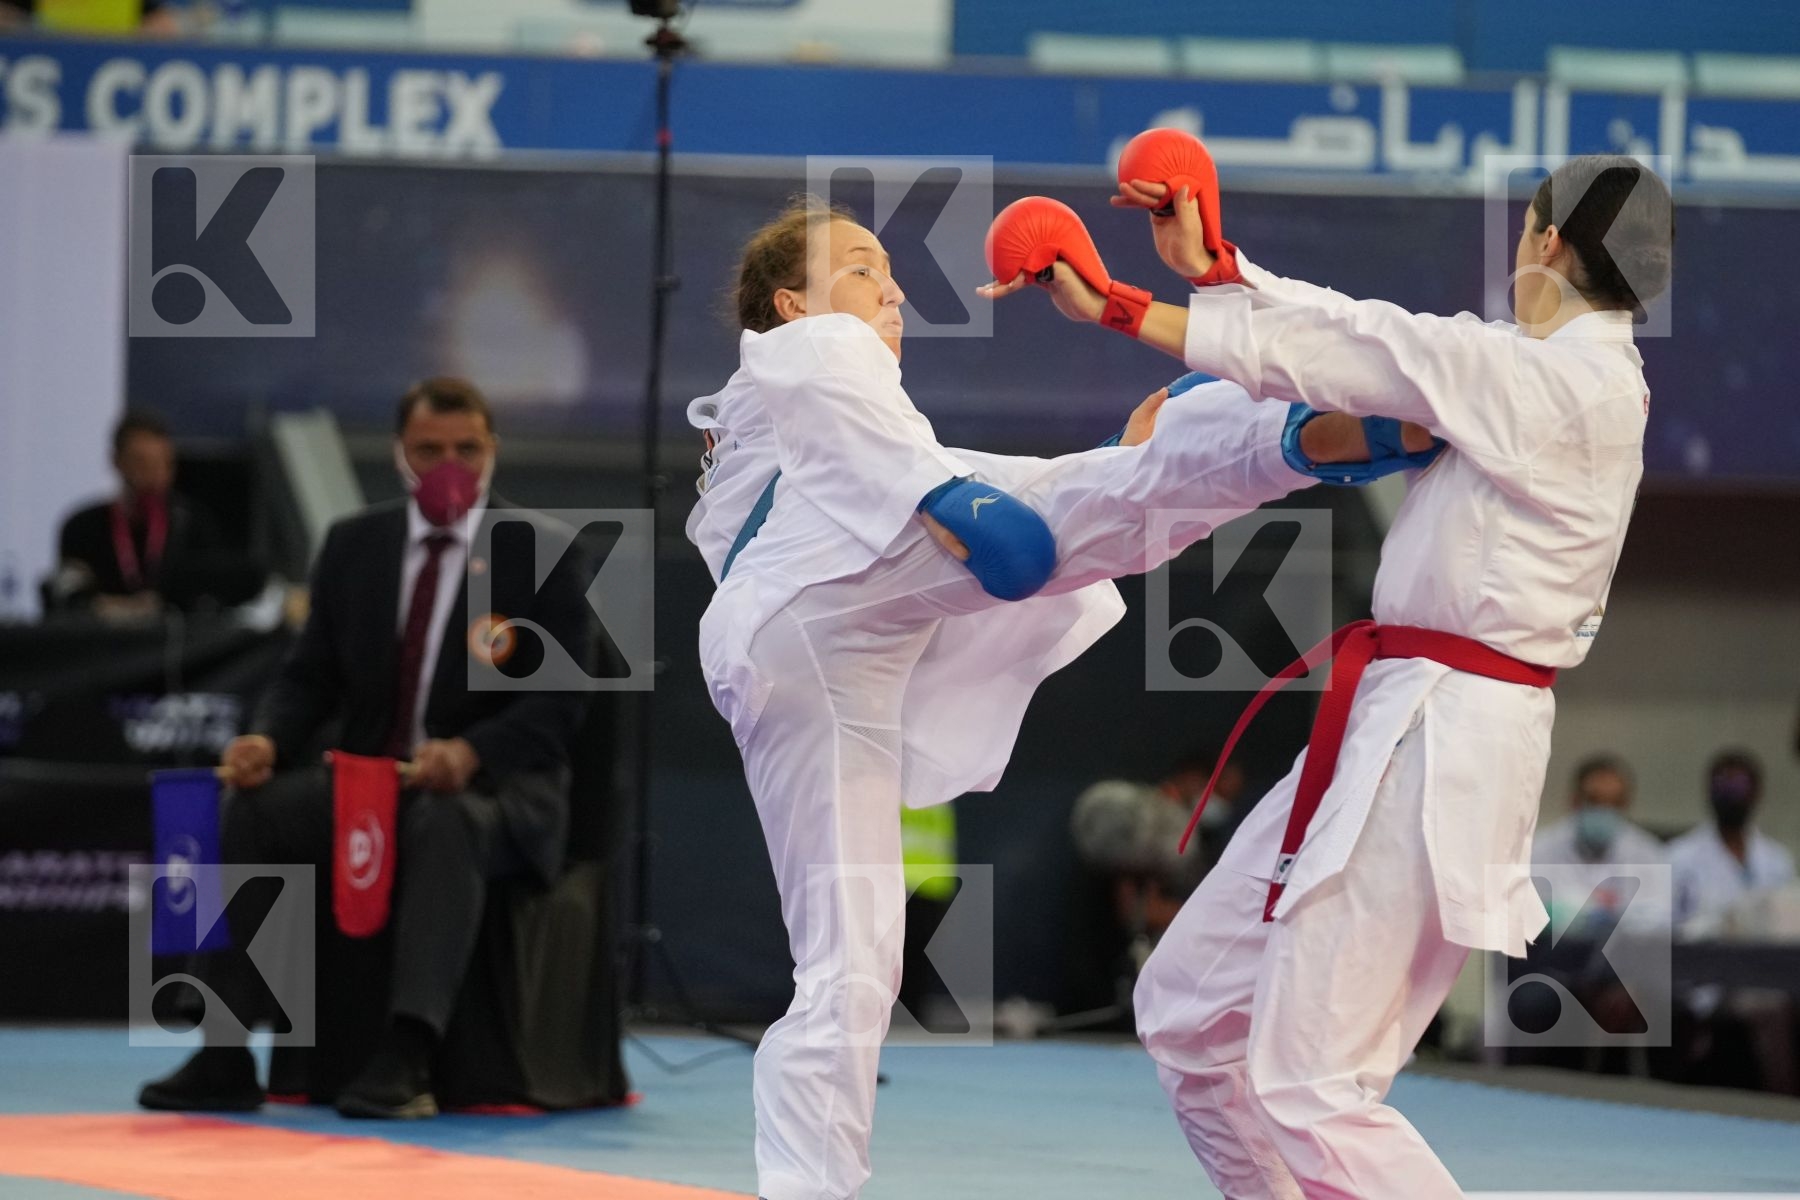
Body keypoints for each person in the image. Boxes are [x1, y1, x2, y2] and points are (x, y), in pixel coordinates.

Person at [690, 198, 1435, 1200]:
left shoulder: (806, 427)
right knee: (1070, 510)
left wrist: (1107, 469)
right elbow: (871, 422)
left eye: (888, 270)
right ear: (791, 298)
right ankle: (1300, 441)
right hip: (812, 596)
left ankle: (805, 1190)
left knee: (850, 967)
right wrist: (949, 501)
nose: (895, 286)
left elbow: (990, 490)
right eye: (865, 267)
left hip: (806, 640)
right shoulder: (805, 355)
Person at [990, 138, 1672, 1197]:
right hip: (1390, 720)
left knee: (1315, 1084)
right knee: (1186, 1013)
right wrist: (1210, 277)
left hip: (1444, 736)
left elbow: (1370, 345)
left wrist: (1128, 304)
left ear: (1545, 239)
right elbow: (1355, 361)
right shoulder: (1521, 375)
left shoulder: (1562, 384)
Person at [137, 378, 600, 1120]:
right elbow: (307, 678)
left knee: (445, 823)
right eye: (430, 449)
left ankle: (407, 1052)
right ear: (399, 456)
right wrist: (266, 737)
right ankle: (224, 1049)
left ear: (492, 453)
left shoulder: (542, 552)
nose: (450, 464)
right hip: (369, 780)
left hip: (492, 787)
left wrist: (473, 754)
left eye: (467, 449)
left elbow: (559, 705)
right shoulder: (355, 545)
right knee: (254, 808)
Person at [49, 409, 227, 618]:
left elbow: (209, 597)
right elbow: (71, 598)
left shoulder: (191, 524)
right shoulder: (82, 529)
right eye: (141, 462)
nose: (154, 475)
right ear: (117, 461)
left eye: (164, 463)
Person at [1670, 749, 1797, 934]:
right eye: (1724, 788)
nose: (1731, 797)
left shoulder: (1778, 860)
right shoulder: (1679, 857)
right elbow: (1659, 929)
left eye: (1738, 789)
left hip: (1766, 961)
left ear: (1756, 793)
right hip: (1701, 959)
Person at [1533, 754, 1669, 918]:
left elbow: (1656, 918)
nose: (1604, 810)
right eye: (1594, 800)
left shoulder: (1648, 854)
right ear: (1575, 801)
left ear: (1626, 805)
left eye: (1614, 803)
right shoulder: (1539, 850)